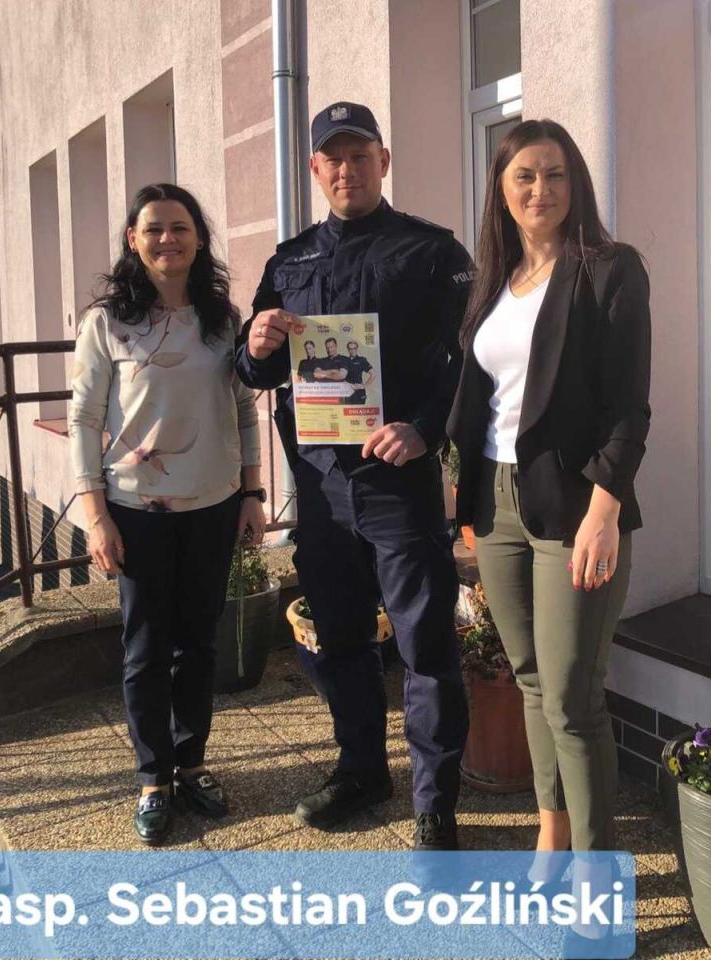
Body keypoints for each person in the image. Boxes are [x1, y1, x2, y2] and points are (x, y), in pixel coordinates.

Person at [235, 101, 474, 850]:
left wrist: (424, 428)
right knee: (339, 639)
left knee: (424, 645)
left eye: (360, 154)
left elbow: (467, 361)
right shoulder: (290, 261)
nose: (347, 169)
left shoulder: (432, 252)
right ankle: (362, 772)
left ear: (383, 161)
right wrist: (256, 341)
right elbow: (254, 369)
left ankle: (434, 803)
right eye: (333, 158)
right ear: (316, 170)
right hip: (320, 488)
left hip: (398, 482)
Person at [447, 120, 651, 855]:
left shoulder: (609, 269)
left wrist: (605, 509)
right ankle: (551, 829)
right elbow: (483, 401)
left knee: (572, 698)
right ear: (501, 191)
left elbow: (629, 407)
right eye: (524, 176)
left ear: (576, 183)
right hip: (497, 504)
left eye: (555, 173)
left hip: (575, 504)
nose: (541, 189)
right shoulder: (494, 282)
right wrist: (463, 496)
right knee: (531, 678)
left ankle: (597, 869)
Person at [68, 183, 266, 845]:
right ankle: (154, 777)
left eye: (180, 227)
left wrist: (252, 494)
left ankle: (192, 762)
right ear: (134, 239)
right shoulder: (107, 323)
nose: (167, 239)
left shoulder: (221, 319)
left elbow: (243, 410)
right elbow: (83, 419)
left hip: (213, 505)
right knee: (146, 648)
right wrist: (96, 515)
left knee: (199, 644)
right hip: (137, 510)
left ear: (198, 238)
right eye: (153, 228)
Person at [344, 340, 375, 404]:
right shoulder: (345, 361)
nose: (352, 350)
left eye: (354, 348)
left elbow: (373, 374)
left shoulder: (362, 360)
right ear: (348, 350)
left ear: (357, 349)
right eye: (350, 349)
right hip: (348, 393)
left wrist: (364, 386)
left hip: (359, 393)